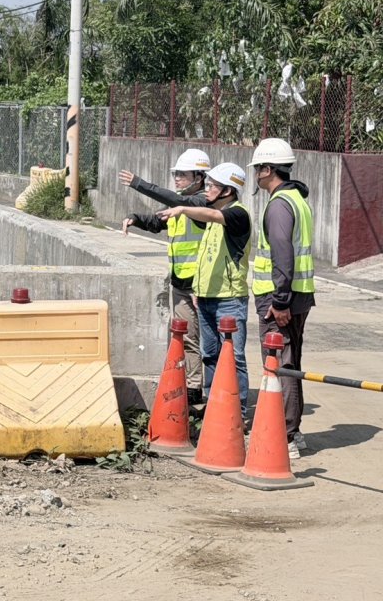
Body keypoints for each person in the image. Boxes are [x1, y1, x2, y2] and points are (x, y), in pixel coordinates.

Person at [157, 163, 251, 414]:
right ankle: (214, 406)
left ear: (228, 191)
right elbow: (206, 258)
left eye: (213, 185)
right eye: (207, 184)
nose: (207, 189)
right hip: (207, 298)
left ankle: (237, 410)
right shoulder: (211, 215)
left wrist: (182, 208)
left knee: (234, 358)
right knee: (209, 354)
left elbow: (212, 216)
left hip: (230, 299)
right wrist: (198, 289)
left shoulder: (237, 214)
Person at [120, 149, 211, 404]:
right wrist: (135, 218)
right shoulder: (179, 205)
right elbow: (156, 220)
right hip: (181, 282)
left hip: (201, 286)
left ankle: (208, 390)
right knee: (187, 337)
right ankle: (193, 387)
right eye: (176, 174)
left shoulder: (202, 203)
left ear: (199, 177)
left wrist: (140, 184)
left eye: (183, 174)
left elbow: (171, 198)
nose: (177, 179)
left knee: (210, 343)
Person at [249, 138, 315, 460]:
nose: (256, 176)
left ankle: (285, 436)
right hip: (298, 297)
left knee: (280, 364)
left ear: (267, 169)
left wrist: (280, 301)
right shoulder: (296, 199)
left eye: (258, 170)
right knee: (292, 364)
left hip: (280, 300)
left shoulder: (278, 205)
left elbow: (282, 256)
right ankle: (295, 434)